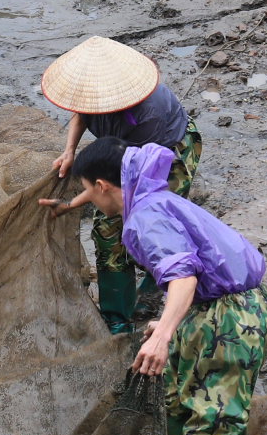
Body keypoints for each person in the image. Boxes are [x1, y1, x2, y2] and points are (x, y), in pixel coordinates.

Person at [42, 135, 267, 435]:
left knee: (207, 431)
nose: (87, 199)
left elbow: (183, 276)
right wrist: (169, 324)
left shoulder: (144, 217)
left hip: (231, 317)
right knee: (171, 395)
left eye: (87, 190)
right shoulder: (154, 197)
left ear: (106, 185)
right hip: (226, 304)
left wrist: (165, 331)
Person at [41, 36, 203, 335]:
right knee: (107, 234)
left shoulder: (148, 116)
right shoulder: (91, 95)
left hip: (169, 150)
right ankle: (117, 317)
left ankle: (156, 285)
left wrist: (74, 203)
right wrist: (69, 151)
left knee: (153, 224)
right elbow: (82, 113)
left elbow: (122, 184)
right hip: (121, 155)